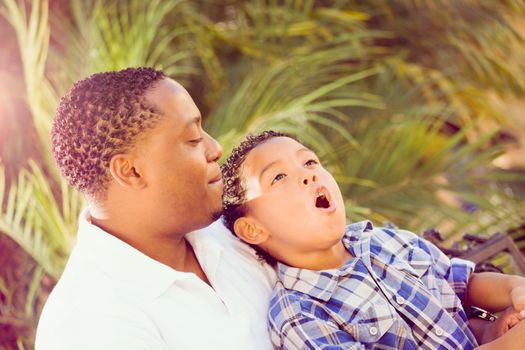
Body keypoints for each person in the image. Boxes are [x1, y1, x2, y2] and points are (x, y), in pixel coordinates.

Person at [35, 67, 276, 350]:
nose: (215, 148)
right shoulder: (88, 325)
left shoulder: (236, 230)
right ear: (131, 172)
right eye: (193, 139)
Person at [221, 130, 525, 350]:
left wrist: (511, 296)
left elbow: (462, 285)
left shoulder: (385, 241)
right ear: (254, 230)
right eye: (278, 177)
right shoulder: (299, 315)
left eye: (310, 162)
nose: (308, 175)